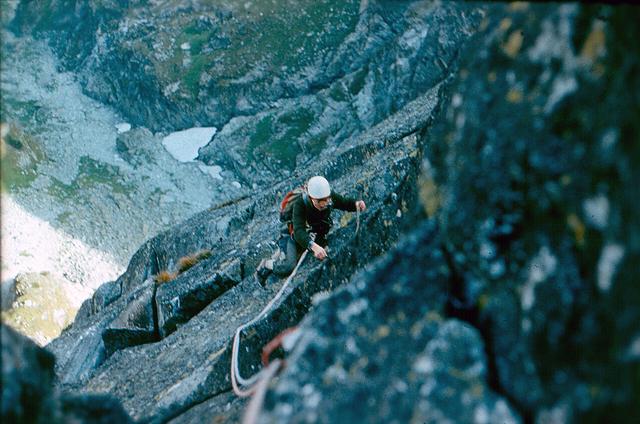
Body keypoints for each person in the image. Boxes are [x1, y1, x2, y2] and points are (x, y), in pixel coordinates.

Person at [255, 176, 366, 284]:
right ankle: (266, 264)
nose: (324, 204)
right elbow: (298, 231)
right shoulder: (300, 204)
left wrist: (356, 204)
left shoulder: (329, 197)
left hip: (314, 233)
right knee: (288, 267)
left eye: (326, 200)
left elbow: (344, 203)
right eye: (319, 201)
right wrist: (313, 246)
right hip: (293, 238)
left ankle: (281, 255)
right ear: (311, 197)